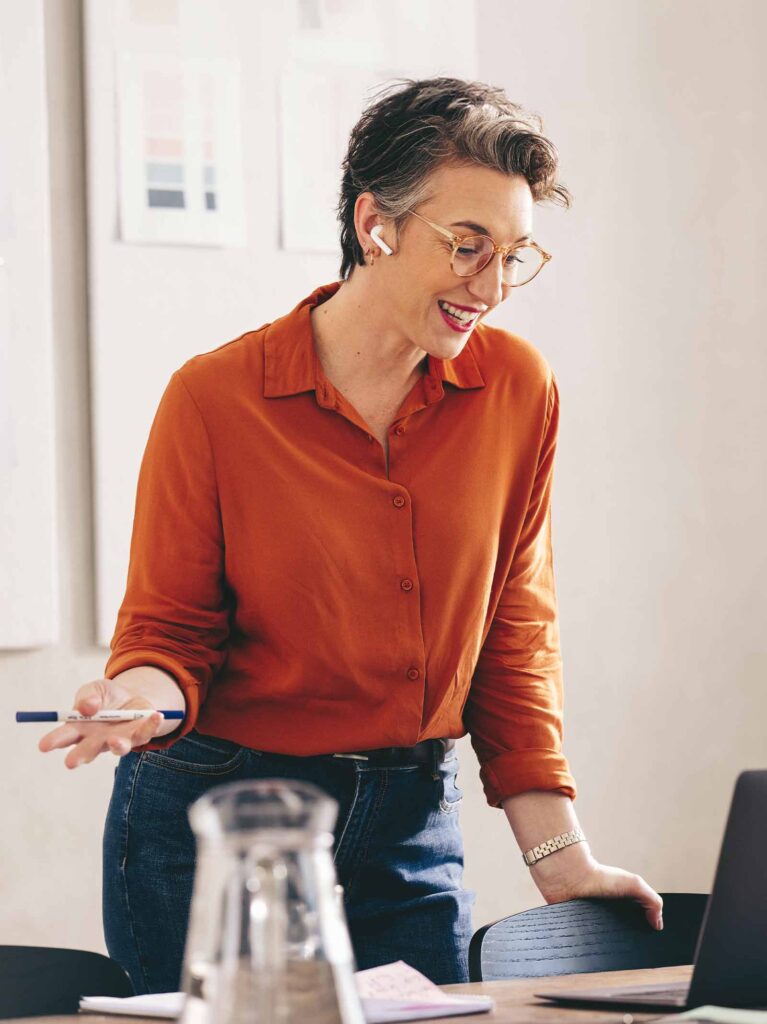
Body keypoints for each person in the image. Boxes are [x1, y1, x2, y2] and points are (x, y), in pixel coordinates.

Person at [39, 77, 662, 993]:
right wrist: (141, 700)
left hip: (410, 814)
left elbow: (512, 641)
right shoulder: (214, 400)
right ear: (375, 225)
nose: (489, 287)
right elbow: (171, 634)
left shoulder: (518, 390)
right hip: (222, 821)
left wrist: (559, 861)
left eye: (513, 255)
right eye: (466, 246)